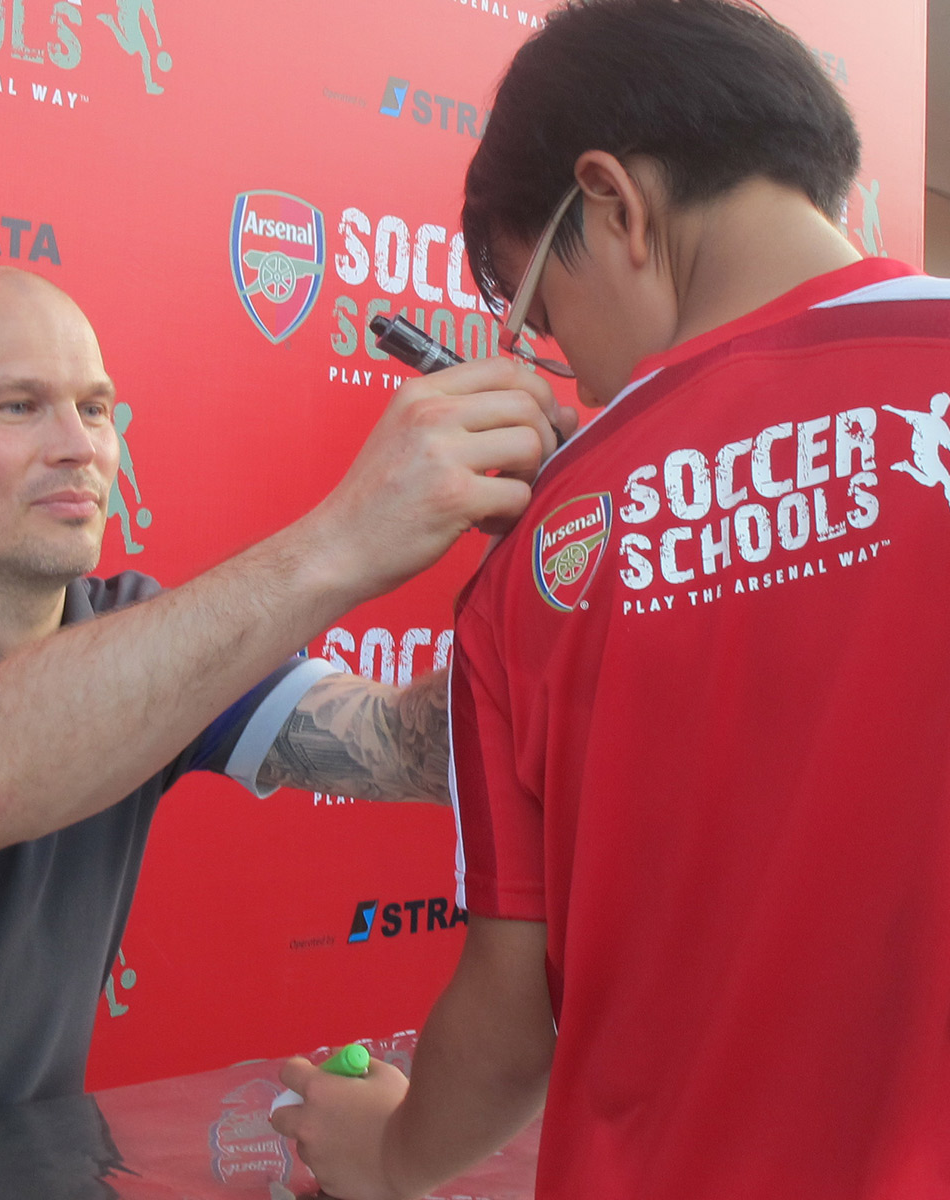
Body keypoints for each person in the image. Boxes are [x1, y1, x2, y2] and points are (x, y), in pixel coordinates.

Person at [272, 3, 950, 1198]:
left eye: (541, 318)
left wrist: (383, 1151)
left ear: (612, 202)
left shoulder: (539, 557)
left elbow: (509, 1009)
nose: (567, 372)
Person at [0, 265, 574, 1162]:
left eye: (97, 408)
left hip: (36, 1179)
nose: (81, 446)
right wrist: (341, 539)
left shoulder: (135, 632)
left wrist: (581, 568)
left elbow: (405, 749)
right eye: (18, 407)